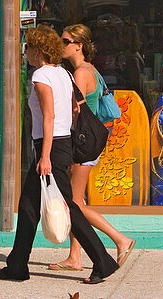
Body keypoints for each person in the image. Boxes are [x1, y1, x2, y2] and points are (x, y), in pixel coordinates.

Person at [0, 24, 119, 285]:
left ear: (38, 50)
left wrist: (45, 156)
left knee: (70, 208)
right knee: (28, 206)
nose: (25, 52)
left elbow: (49, 116)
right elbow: (74, 110)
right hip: (62, 144)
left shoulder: (41, 76)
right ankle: (17, 264)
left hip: (50, 147)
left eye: (28, 47)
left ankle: (103, 261)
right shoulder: (63, 74)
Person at [48, 24, 134, 271]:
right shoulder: (90, 71)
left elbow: (75, 109)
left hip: (83, 143)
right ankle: (75, 257)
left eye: (65, 41)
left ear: (79, 45)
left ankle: (120, 239)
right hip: (90, 142)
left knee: (75, 204)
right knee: (76, 200)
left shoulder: (81, 74)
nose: (61, 45)